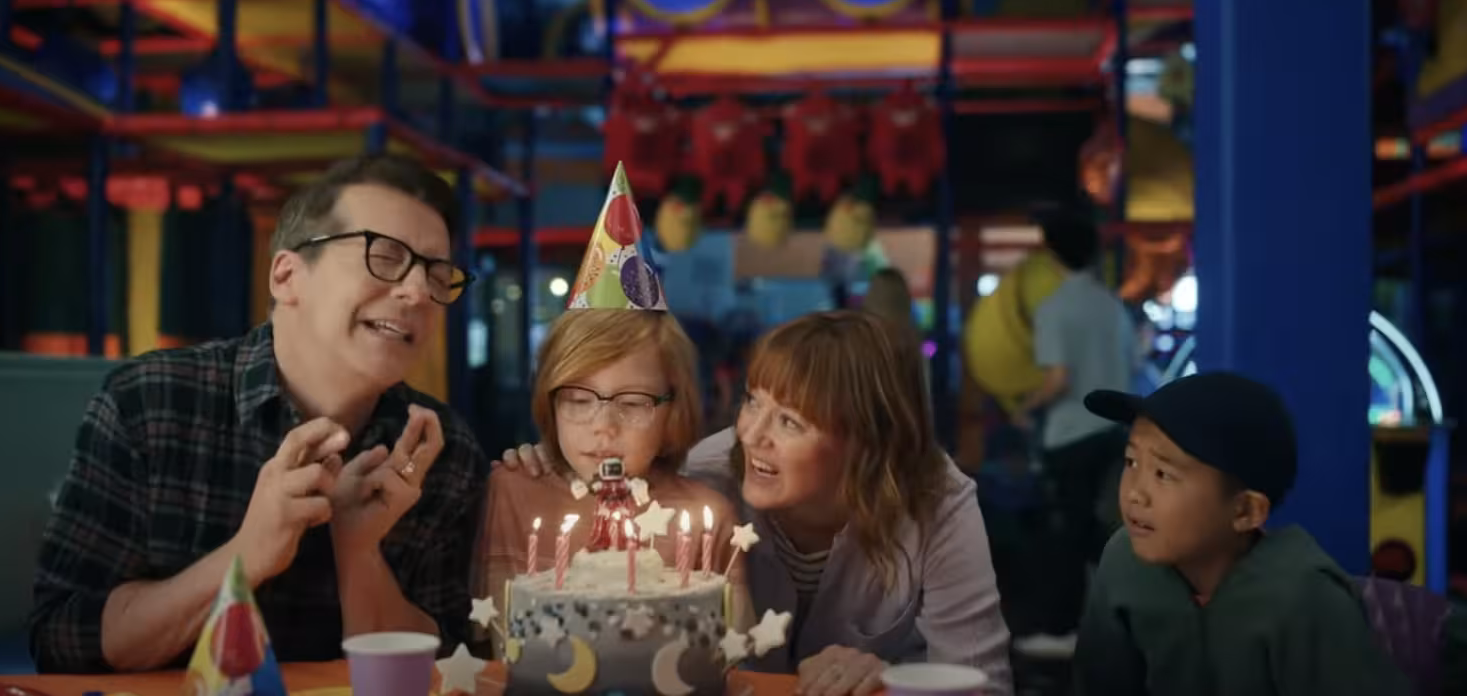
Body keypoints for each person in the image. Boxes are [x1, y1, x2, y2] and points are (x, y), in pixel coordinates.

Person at [28, 154, 487, 673]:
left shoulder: (438, 448)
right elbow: (60, 636)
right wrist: (247, 554)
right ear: (288, 276)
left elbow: (447, 666)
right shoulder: (152, 402)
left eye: (437, 273)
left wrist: (358, 552)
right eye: (384, 256)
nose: (417, 291)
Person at [503, 311, 1013, 696]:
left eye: (790, 422)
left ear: (867, 443)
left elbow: (985, 685)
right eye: (752, 400)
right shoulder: (709, 478)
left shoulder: (936, 502)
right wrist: (553, 464)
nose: (750, 435)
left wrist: (892, 681)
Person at [474, 169, 747, 653]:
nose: (602, 425)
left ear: (672, 413)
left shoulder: (709, 517)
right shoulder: (513, 491)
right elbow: (498, 645)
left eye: (634, 403)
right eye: (578, 400)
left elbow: (734, 654)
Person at [1073, 372, 1410, 696]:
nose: (1135, 493)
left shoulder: (1305, 597)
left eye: (1163, 474)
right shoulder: (1123, 561)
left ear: (1246, 511)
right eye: (1131, 462)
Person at [1012, 206, 1136, 653]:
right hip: (1114, 434)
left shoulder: (1055, 309)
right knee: (1100, 533)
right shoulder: (1112, 306)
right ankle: (1106, 623)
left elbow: (1058, 379)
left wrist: (1025, 407)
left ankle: (1064, 630)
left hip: (1070, 435)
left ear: (1051, 253)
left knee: (1065, 533)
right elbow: (1132, 366)